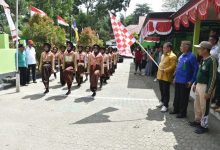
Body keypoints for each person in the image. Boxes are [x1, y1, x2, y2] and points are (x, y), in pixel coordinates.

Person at [189, 41, 217, 134]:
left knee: (204, 107)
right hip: (199, 85)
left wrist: (209, 92)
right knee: (197, 104)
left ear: (205, 50)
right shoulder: (203, 59)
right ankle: (197, 121)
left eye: (199, 48)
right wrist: (196, 83)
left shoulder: (212, 60)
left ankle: (204, 126)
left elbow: (213, 77)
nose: (198, 50)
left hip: (205, 87)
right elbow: (199, 73)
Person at [170, 41, 198, 118]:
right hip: (178, 79)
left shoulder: (192, 56)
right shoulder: (181, 55)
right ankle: (176, 109)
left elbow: (196, 70)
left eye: (182, 46)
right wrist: (175, 77)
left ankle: (182, 113)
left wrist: (192, 81)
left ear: (187, 47)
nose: (180, 47)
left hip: (185, 81)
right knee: (177, 96)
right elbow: (178, 67)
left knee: (184, 98)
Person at [156, 42, 177, 112]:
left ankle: (166, 105)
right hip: (160, 76)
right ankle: (162, 101)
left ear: (169, 48)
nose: (163, 49)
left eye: (164, 47)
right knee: (161, 90)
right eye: (163, 47)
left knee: (166, 91)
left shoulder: (173, 56)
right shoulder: (163, 55)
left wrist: (165, 70)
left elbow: (173, 66)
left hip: (166, 76)